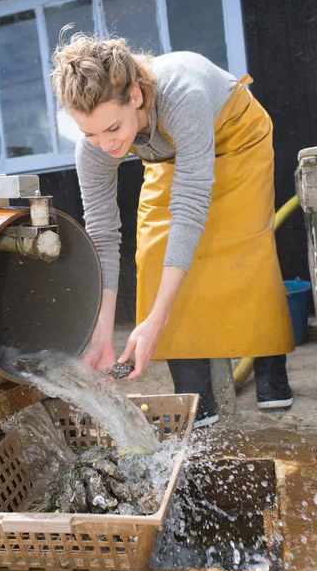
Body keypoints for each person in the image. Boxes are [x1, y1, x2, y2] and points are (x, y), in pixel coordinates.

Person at [52, 32, 295, 427]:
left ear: (134, 96)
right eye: (89, 134)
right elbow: (102, 232)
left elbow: (190, 206)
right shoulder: (96, 146)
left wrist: (158, 318)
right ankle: (195, 389)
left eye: (112, 128)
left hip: (236, 138)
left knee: (246, 249)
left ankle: (270, 367)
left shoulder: (181, 96)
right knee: (152, 252)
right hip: (168, 153)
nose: (105, 144)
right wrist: (102, 333)